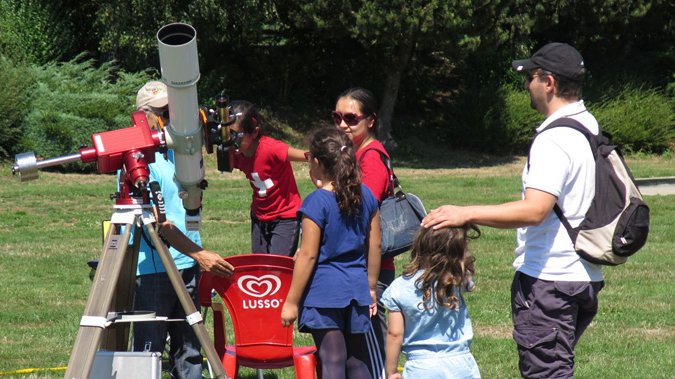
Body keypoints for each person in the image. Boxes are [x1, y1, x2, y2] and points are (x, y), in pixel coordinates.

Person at [421, 43, 604, 378]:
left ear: (548, 82)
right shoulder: (588, 125)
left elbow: (535, 210)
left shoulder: (555, 138)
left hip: (550, 278)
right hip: (583, 275)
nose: (526, 86)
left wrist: (466, 213)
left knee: (546, 373)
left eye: (530, 77)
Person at [130, 80, 234, 379]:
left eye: (172, 110)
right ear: (142, 116)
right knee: (148, 351)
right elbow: (156, 225)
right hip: (153, 269)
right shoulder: (137, 162)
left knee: (189, 350)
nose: (169, 118)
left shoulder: (178, 150)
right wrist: (199, 253)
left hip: (187, 263)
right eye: (162, 111)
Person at [280, 127, 381, 379]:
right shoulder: (366, 196)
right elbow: (375, 246)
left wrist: (291, 301)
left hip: (323, 294)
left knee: (332, 359)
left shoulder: (316, 202)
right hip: (357, 291)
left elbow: (308, 255)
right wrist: (370, 288)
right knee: (357, 361)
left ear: (316, 162)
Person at [333, 87, 393, 375]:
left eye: (350, 118)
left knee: (371, 352)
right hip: (356, 264)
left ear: (370, 120)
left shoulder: (371, 158)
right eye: (337, 117)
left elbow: (362, 208)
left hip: (372, 269)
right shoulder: (354, 154)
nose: (342, 124)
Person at [381, 226, 481, 379]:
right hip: (461, 364)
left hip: (421, 367)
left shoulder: (399, 287)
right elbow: (465, 268)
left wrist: (391, 371)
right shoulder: (457, 279)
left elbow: (394, 334)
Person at [228, 100, 305, 256]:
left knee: (277, 268)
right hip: (259, 217)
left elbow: (306, 155)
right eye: (228, 136)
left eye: (237, 137)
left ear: (255, 132)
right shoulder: (235, 153)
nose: (232, 142)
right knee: (260, 268)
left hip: (285, 218)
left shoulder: (272, 149)